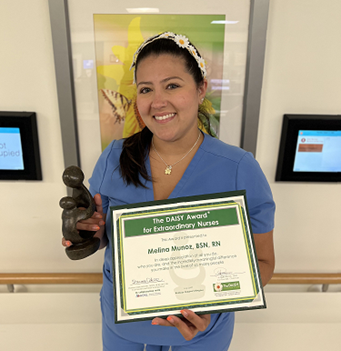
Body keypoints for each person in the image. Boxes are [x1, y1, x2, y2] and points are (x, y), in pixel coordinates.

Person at [62, 32, 275, 351]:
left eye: (172, 85)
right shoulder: (114, 157)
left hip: (200, 333)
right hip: (123, 324)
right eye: (146, 89)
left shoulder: (238, 168)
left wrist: (212, 306)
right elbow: (105, 232)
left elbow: (263, 261)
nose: (158, 101)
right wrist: (85, 231)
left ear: (201, 89)